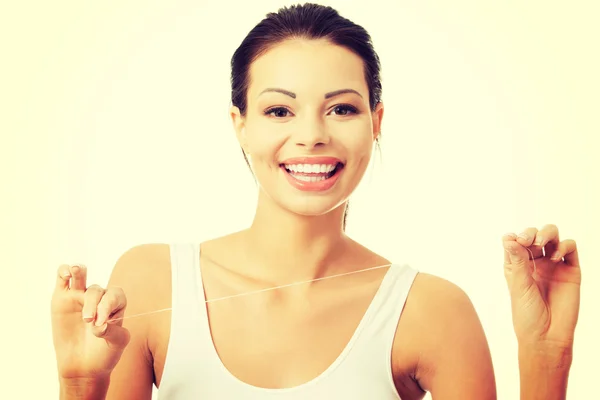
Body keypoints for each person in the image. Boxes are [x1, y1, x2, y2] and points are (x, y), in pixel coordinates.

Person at [50, 3, 581, 399]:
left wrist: (547, 355)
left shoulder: (432, 312)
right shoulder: (149, 281)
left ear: (376, 122)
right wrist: (79, 383)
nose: (312, 135)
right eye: (280, 111)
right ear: (240, 126)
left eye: (342, 109)